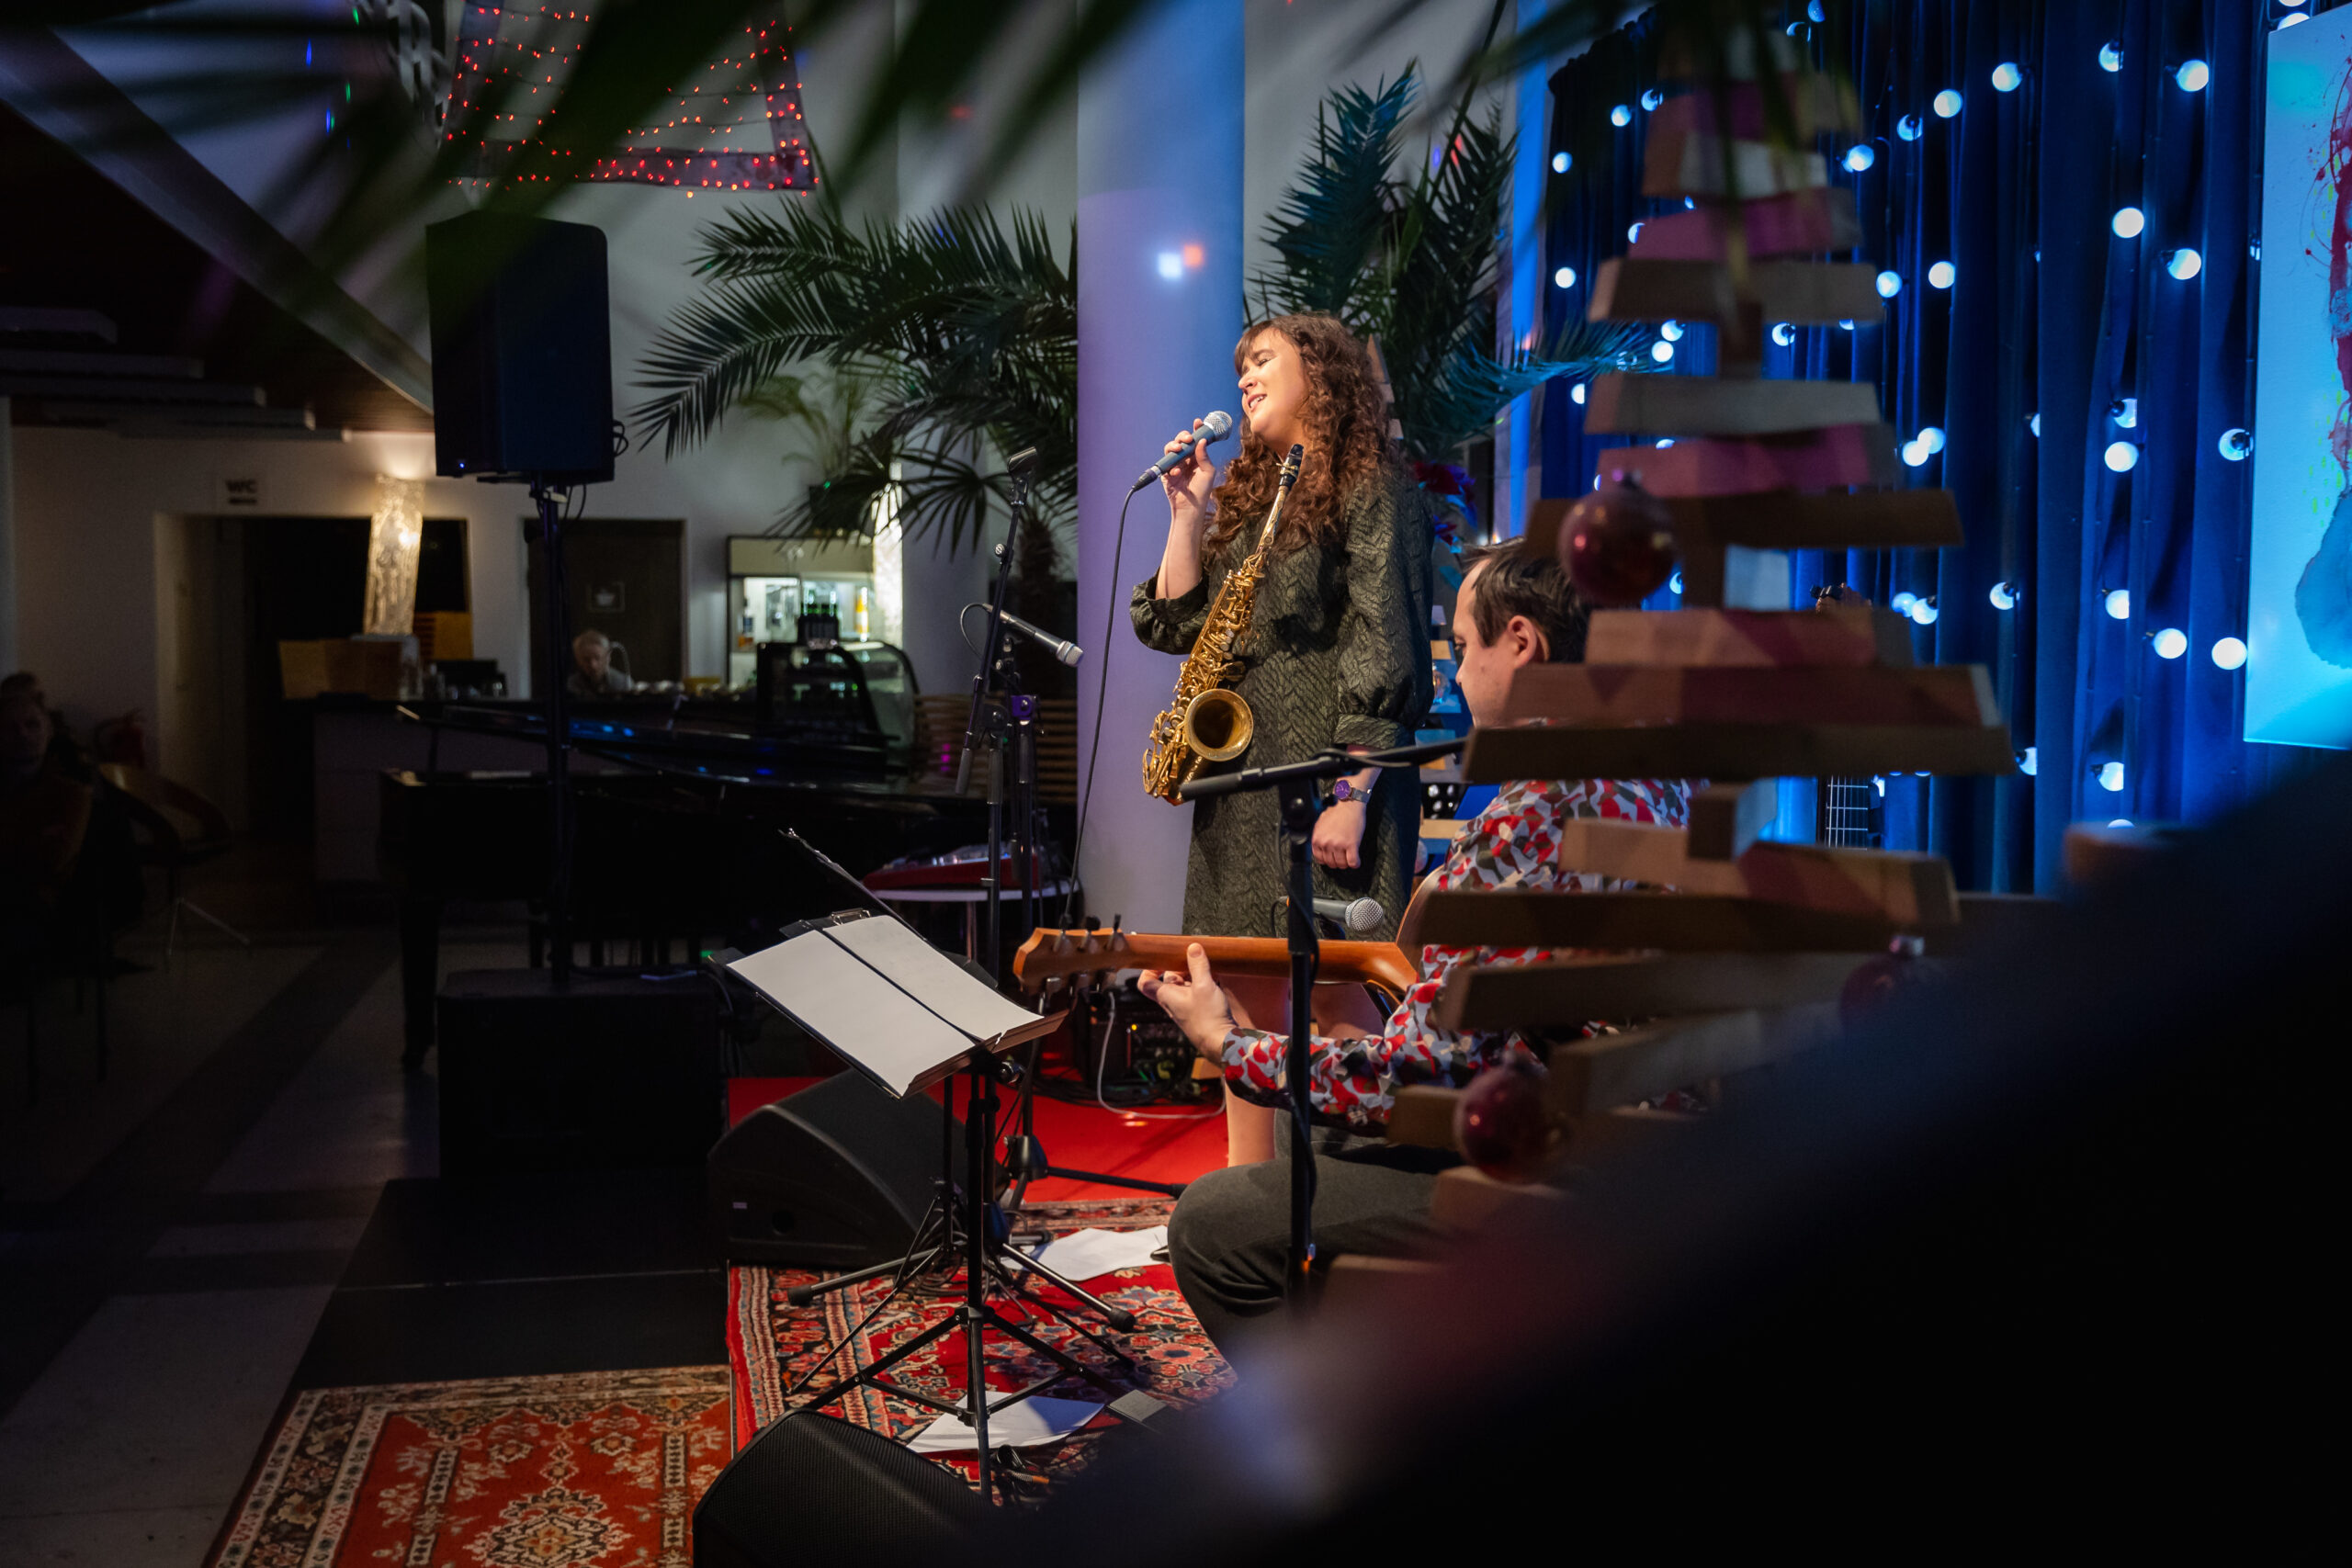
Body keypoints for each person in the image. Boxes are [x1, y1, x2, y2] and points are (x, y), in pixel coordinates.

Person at [1137, 539, 1690, 1355]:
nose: (1455, 676)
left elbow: (1418, 1075)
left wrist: (1227, 1040)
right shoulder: (1648, 768)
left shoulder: (1542, 806)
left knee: (1211, 1223)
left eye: (1464, 648)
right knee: (1311, 1135)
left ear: (1522, 642)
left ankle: (1346, 1417)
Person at [1131, 313, 1433, 1166]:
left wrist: (1352, 793)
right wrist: (1186, 510)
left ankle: (1354, 1195)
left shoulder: (1373, 486)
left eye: (1262, 359)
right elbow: (1177, 624)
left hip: (1332, 783)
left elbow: (1388, 644)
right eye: (1240, 366)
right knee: (1243, 1001)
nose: (1244, 378)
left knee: (1338, 995)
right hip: (1243, 791)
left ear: (1320, 374)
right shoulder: (1252, 499)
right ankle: (1249, 1200)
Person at [568, 630, 632, 696]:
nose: (593, 665)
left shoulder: (623, 683)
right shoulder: (571, 685)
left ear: (608, 657)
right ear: (578, 659)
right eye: (586, 659)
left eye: (597, 658)